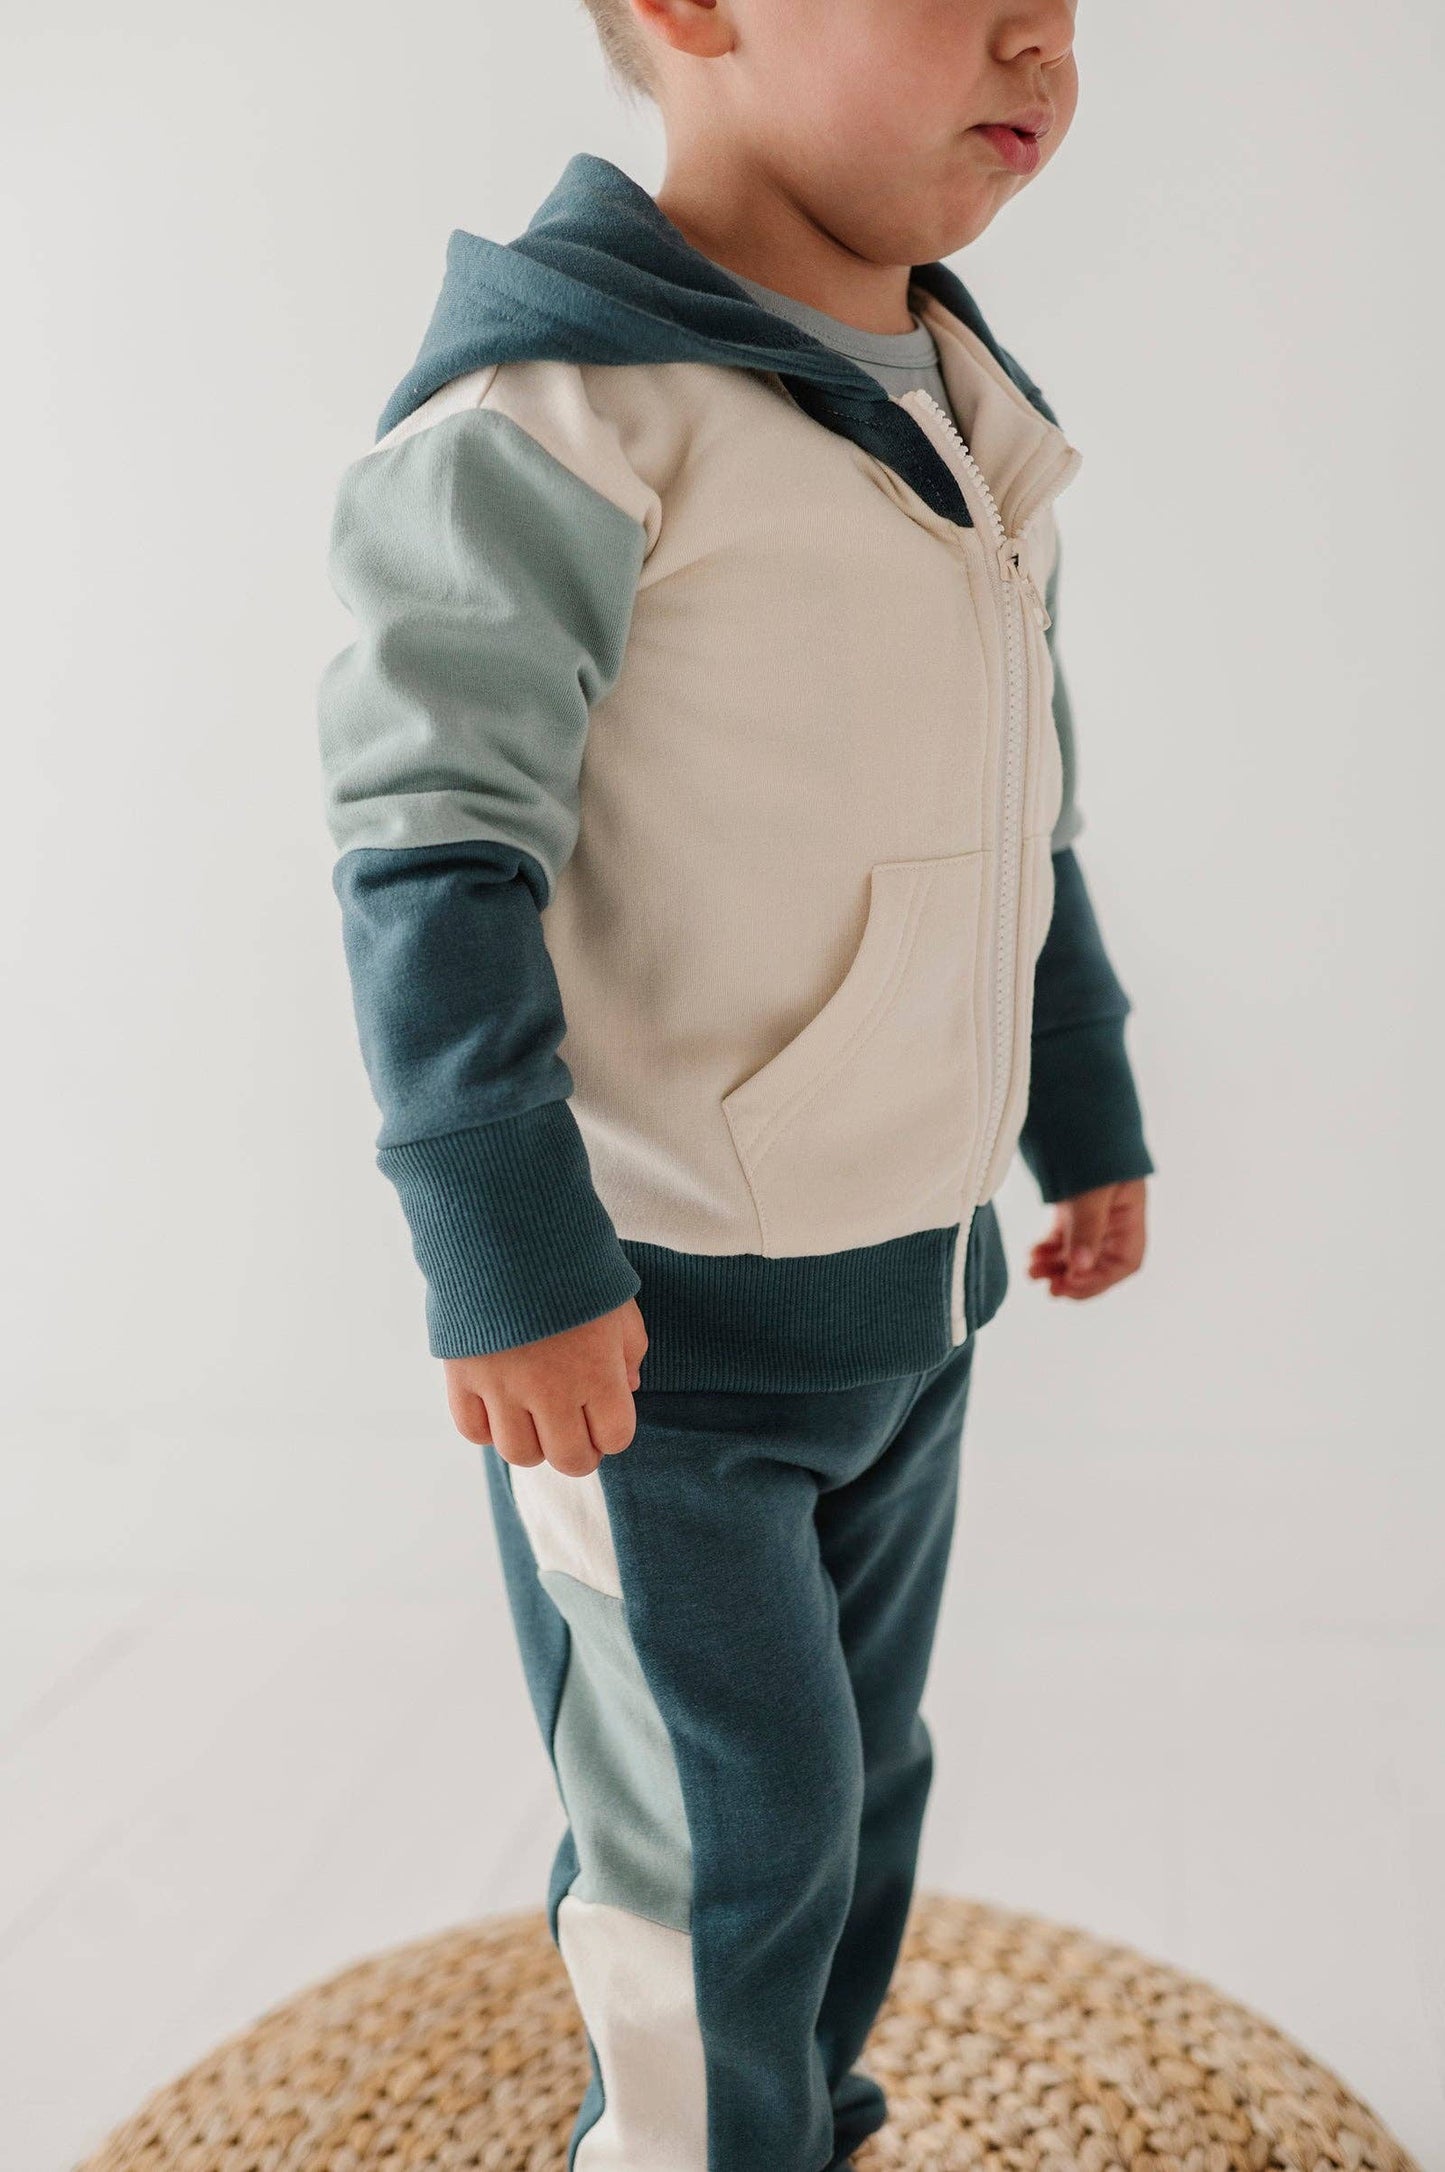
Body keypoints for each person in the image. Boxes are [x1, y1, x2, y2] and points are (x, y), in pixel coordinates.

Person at [316, 2, 1152, 2163]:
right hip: (647, 1340)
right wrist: (506, 1252)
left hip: (911, 1301)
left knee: (859, 1788)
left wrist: (1083, 1104)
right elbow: (432, 855)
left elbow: (1022, 819)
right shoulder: (559, 419)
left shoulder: (969, 412)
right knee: (720, 1836)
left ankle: (799, 2125)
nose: (1040, 34)